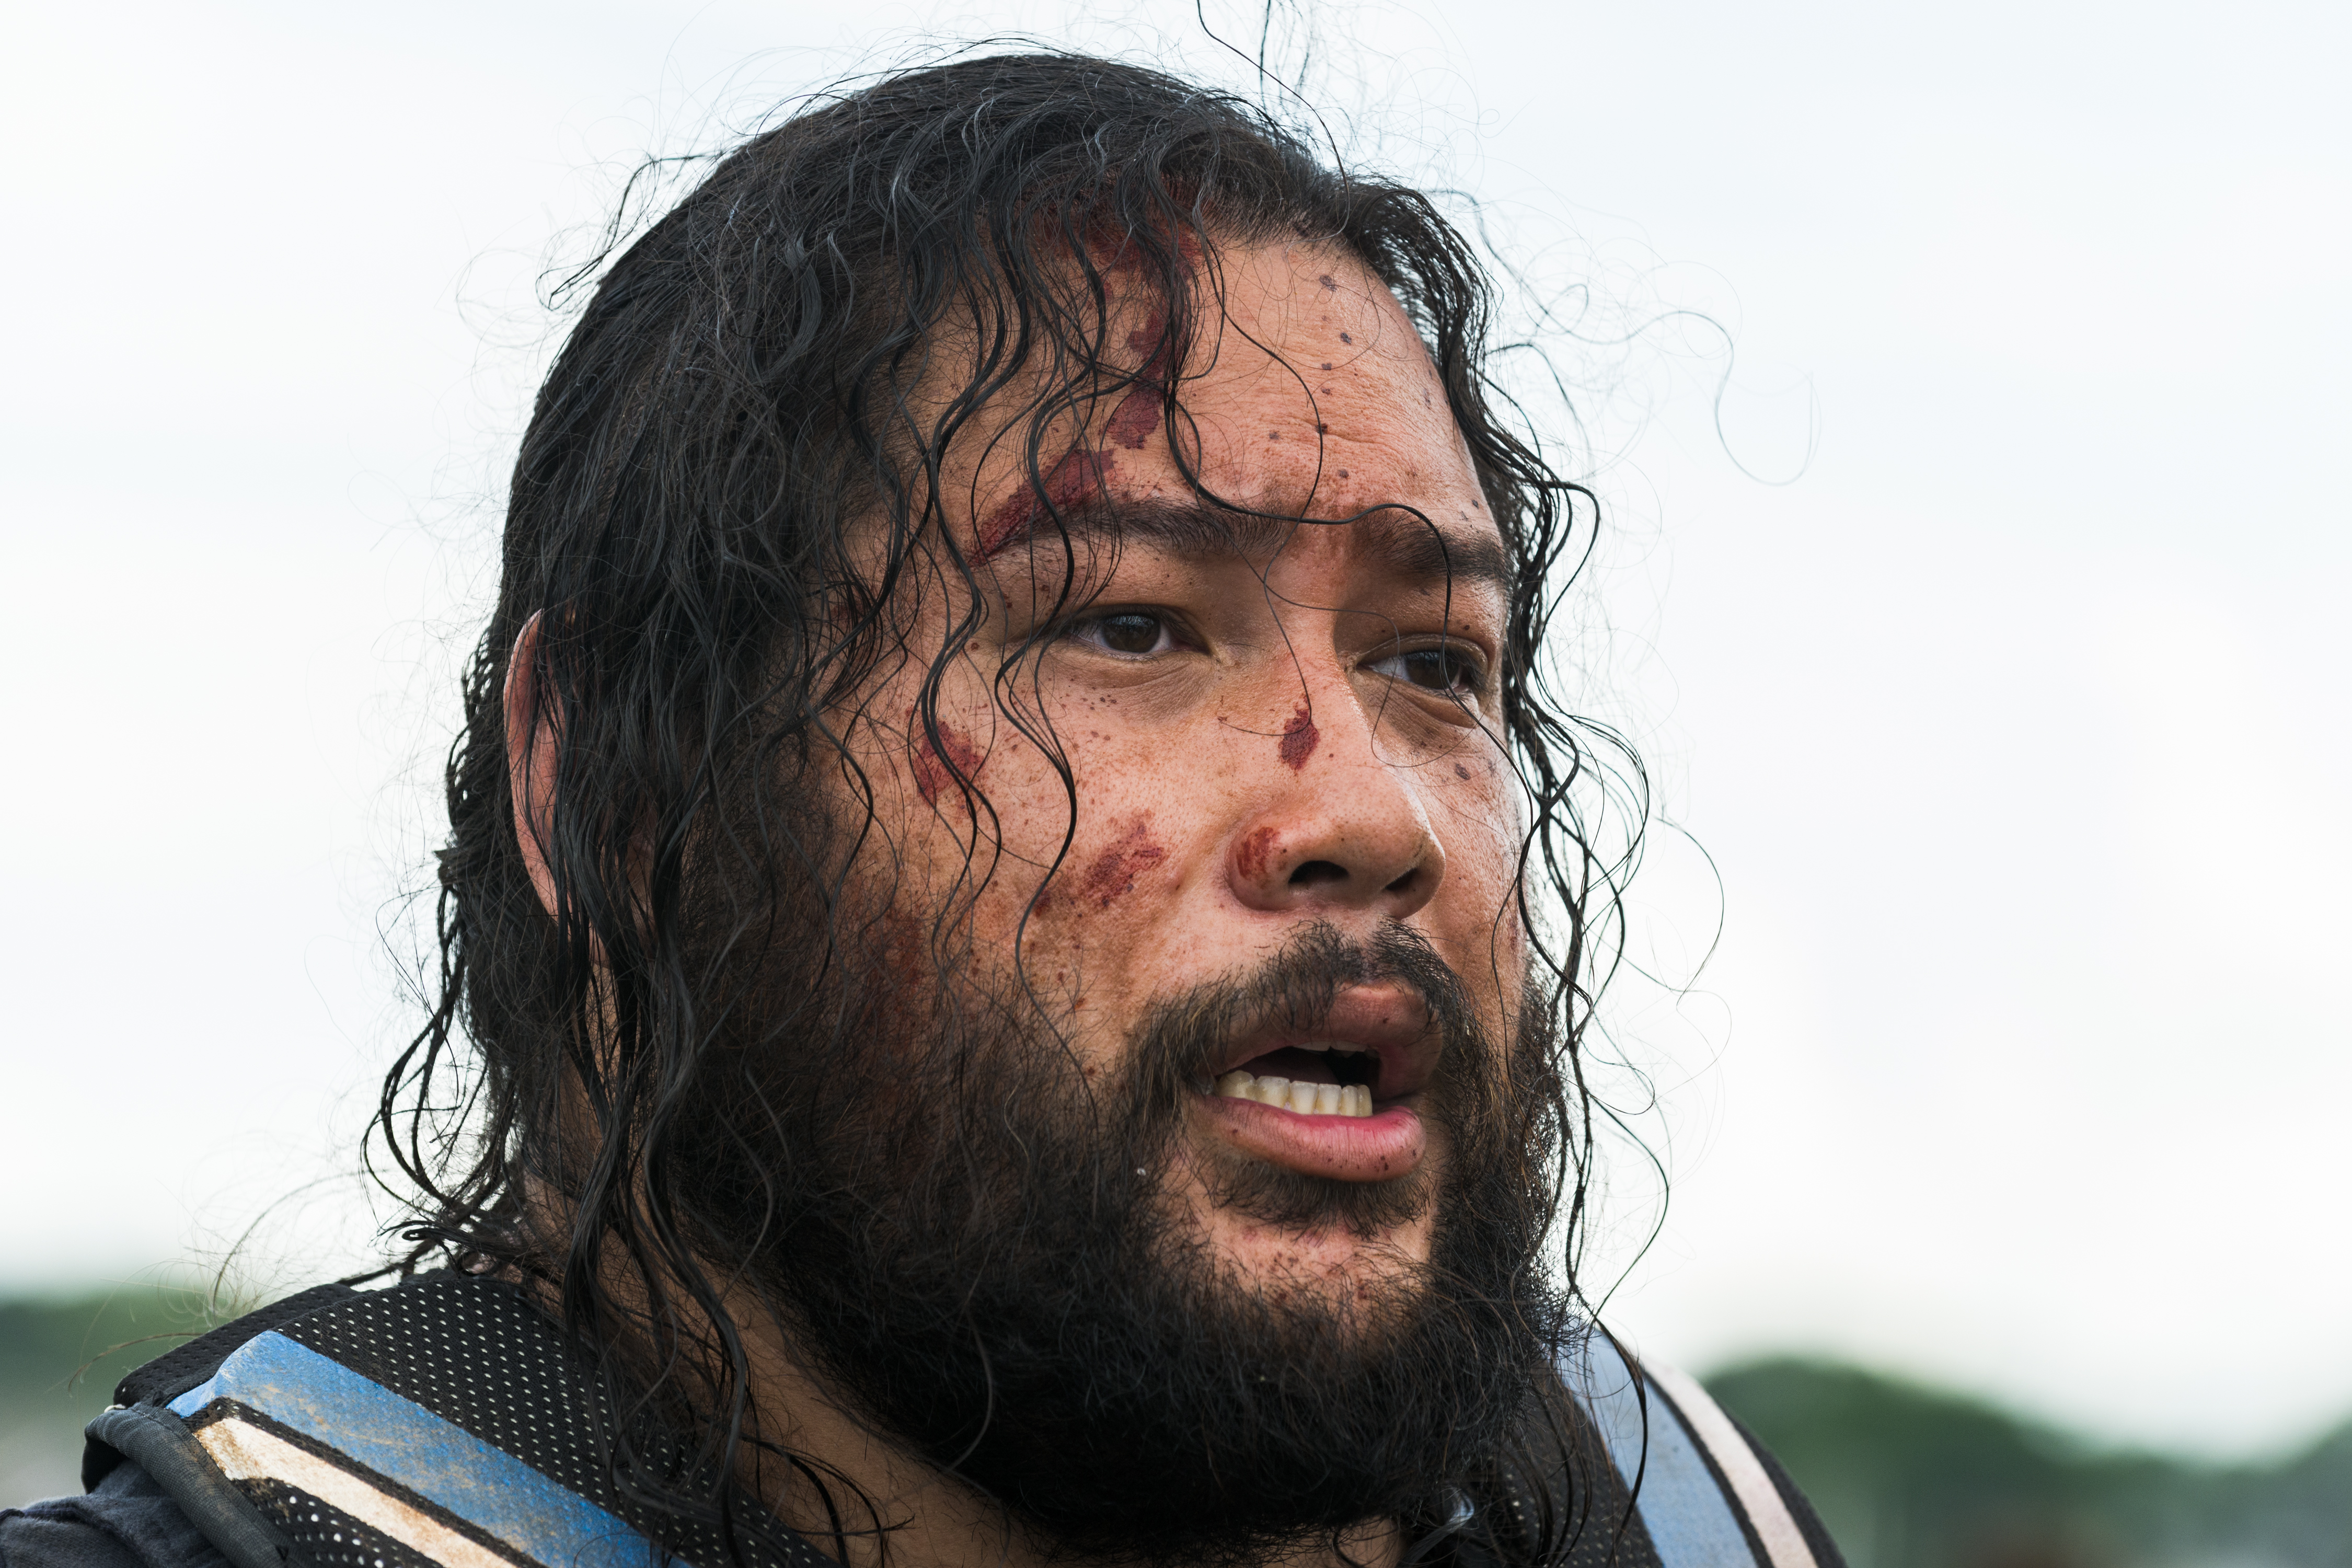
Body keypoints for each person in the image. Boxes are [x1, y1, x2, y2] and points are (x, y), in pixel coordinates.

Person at [3, 51, 1844, 1568]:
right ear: (612, 788)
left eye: (1435, 664)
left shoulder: (1682, 1531)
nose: (1369, 812)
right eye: (1125, 623)